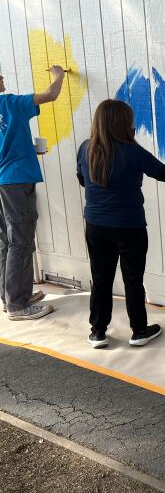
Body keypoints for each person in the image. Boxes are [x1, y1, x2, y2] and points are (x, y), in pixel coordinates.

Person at [76, 100, 165, 349]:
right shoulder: (132, 151)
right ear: (123, 124)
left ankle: (97, 332)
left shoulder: (85, 148)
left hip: (96, 225)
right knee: (132, 279)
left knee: (101, 278)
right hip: (130, 226)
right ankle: (139, 331)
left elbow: (83, 181)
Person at [0, 66, 66, 320]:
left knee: (6, 241)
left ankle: (11, 297)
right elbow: (50, 95)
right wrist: (59, 75)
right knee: (20, 241)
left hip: (3, 182)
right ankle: (18, 305)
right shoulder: (10, 103)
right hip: (16, 181)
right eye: (0, 74)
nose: (4, 77)